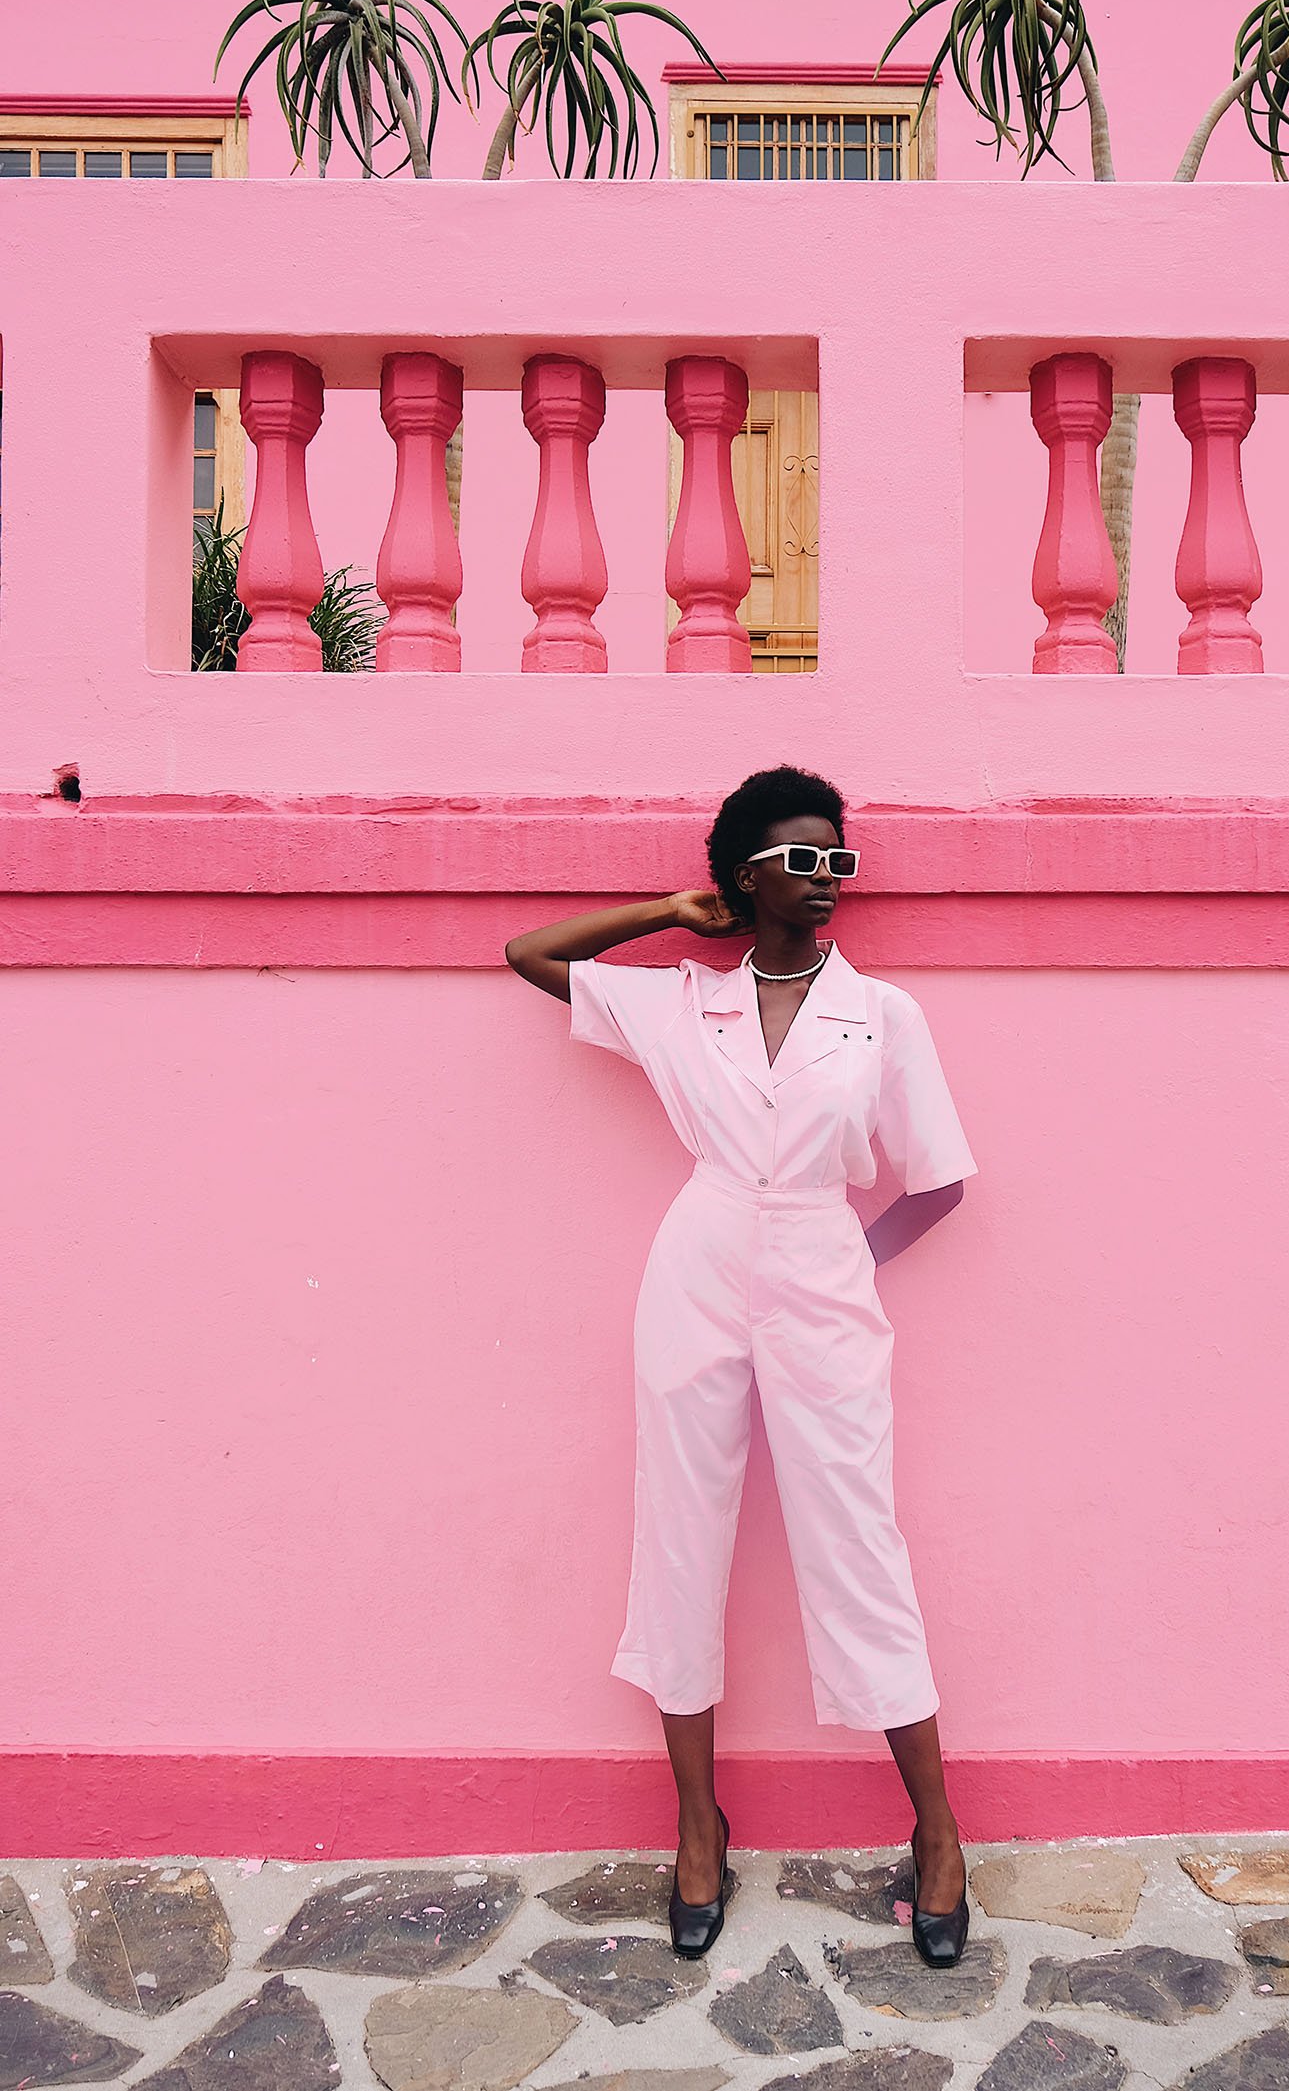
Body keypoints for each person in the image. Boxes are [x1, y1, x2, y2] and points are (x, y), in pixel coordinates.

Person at [505, 763, 978, 1967]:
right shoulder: (679, 1002)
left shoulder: (885, 1014)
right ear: (746, 873)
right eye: (800, 857)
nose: (826, 880)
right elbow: (530, 951)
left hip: (821, 1260)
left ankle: (936, 1832)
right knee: (680, 1529)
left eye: (839, 859)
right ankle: (698, 1825)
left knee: (856, 1536)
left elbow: (938, 1180)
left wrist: (850, 1268)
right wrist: (673, 907)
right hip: (701, 1260)